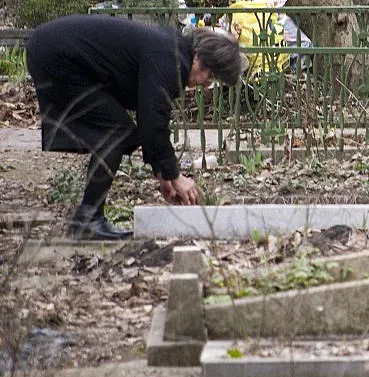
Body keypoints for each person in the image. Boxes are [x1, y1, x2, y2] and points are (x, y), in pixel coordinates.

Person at [26, 15, 248, 240]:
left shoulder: (172, 53)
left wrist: (164, 175)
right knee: (115, 132)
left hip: (52, 49)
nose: (205, 83)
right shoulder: (169, 59)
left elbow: (150, 118)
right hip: (57, 55)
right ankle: (88, 220)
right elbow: (153, 123)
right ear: (199, 56)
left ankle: (88, 218)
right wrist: (174, 175)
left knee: (116, 130)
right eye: (208, 75)